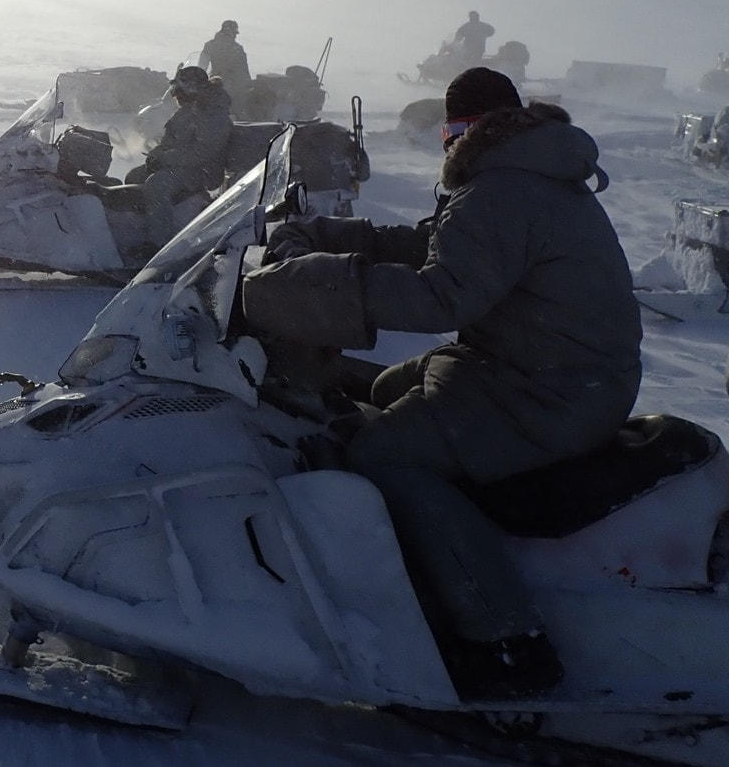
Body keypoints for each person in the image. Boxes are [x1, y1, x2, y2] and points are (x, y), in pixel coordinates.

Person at [241, 67, 640, 700]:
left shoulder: (505, 189)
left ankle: (507, 641)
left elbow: (442, 295)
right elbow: (437, 245)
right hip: (537, 369)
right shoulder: (521, 176)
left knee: (383, 454)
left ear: (479, 129)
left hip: (548, 391)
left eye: (455, 130)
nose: (448, 143)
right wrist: (324, 235)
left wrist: (319, 285)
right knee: (373, 393)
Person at [137, 65, 233, 247]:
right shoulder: (186, 111)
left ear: (194, 90)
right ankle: (137, 232)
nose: (176, 97)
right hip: (181, 166)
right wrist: (156, 155)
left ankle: (161, 244)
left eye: (180, 91)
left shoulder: (214, 115)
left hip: (203, 171)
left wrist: (166, 159)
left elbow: (203, 153)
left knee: (157, 186)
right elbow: (168, 142)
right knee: (134, 176)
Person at [201, 21, 252, 108]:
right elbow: (202, 65)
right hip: (222, 82)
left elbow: (244, 68)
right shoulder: (236, 48)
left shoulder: (211, 45)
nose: (235, 36)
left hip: (224, 81)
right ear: (229, 33)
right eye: (234, 33)